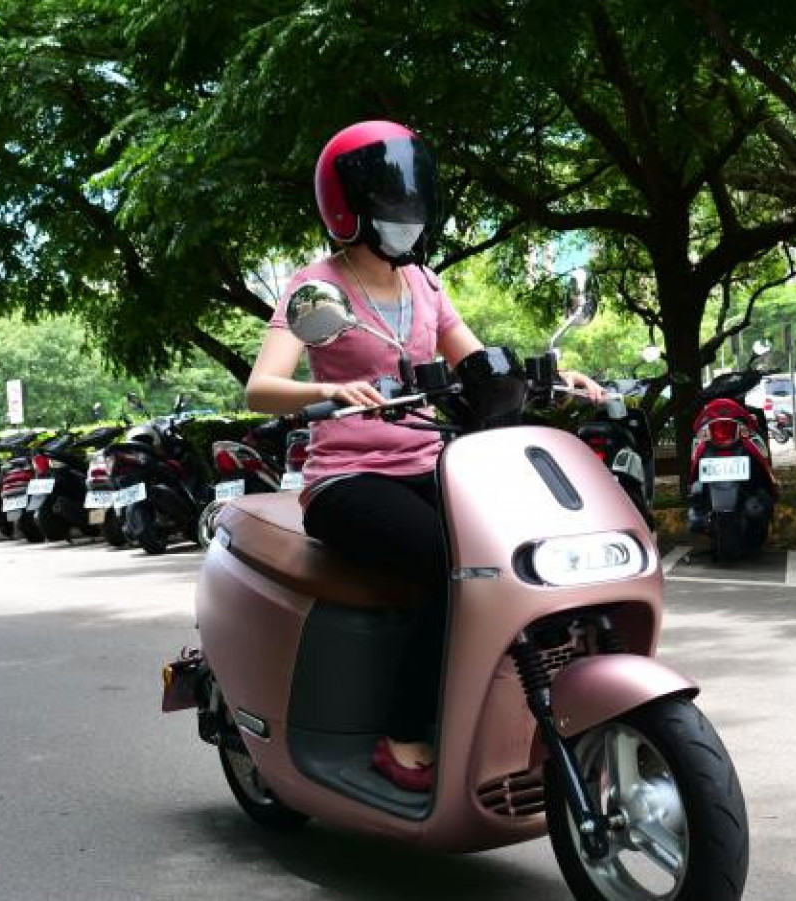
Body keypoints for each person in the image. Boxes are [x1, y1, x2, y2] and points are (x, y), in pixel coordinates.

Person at [245, 120, 602, 792]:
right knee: (449, 564)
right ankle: (403, 732)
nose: (405, 213)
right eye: (390, 200)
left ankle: (517, 698)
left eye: (411, 198)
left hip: (432, 463)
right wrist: (327, 389)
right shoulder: (316, 287)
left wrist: (553, 375)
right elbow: (261, 386)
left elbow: (476, 364)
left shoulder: (425, 284)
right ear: (349, 207)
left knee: (519, 549)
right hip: (348, 478)